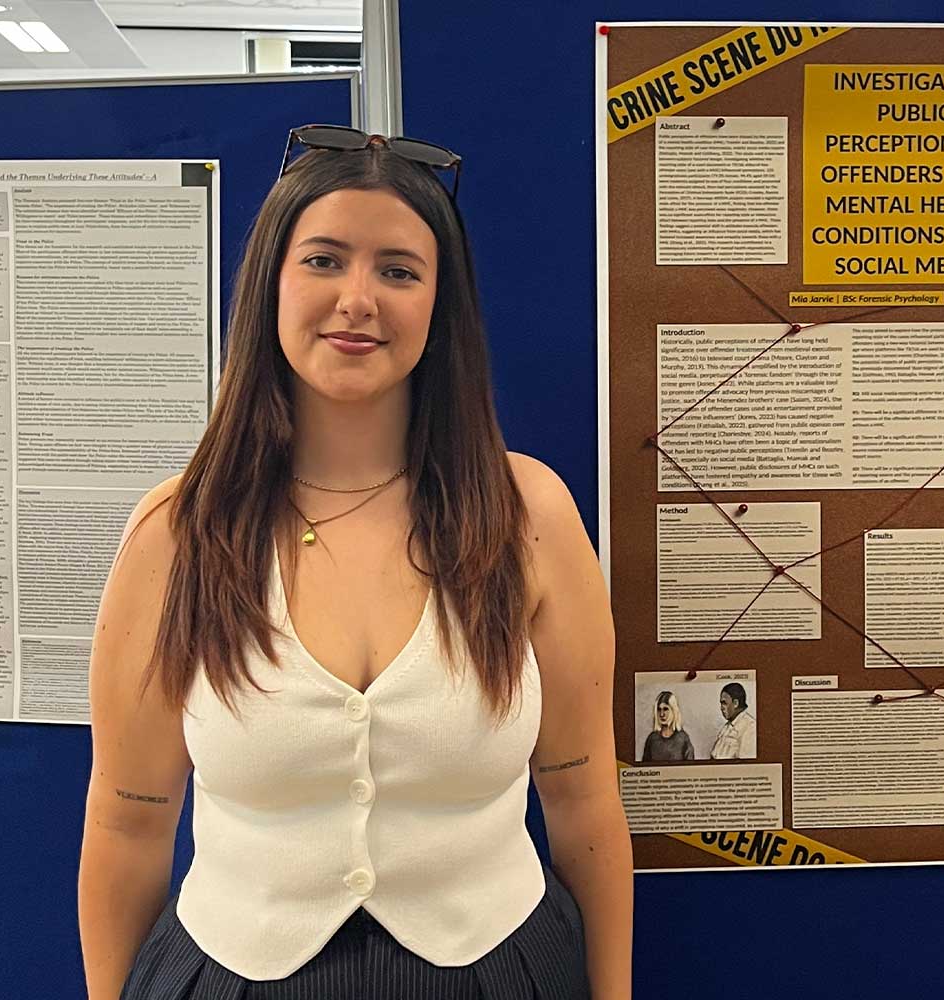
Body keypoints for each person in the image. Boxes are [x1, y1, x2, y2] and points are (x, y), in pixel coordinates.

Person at [78, 126, 632, 999]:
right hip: (233, 975)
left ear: (440, 306)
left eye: (399, 271)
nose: (358, 299)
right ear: (271, 283)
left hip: (504, 970)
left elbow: (582, 798)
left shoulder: (528, 516)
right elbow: (128, 823)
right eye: (325, 260)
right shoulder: (178, 531)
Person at [642, 690, 694, 761]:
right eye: (659, 710)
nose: (662, 714)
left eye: (665, 709)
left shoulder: (683, 739)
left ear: (674, 711)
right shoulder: (652, 739)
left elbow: (690, 768)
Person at [710, 682, 757, 759]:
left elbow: (746, 765)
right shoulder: (727, 727)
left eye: (724, 703)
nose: (721, 708)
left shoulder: (750, 727)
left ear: (735, 703)